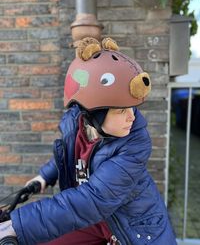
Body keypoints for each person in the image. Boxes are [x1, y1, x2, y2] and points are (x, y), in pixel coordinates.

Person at [0, 37, 177, 245]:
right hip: (92, 222)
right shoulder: (76, 125)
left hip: (130, 229)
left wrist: (16, 225)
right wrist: (44, 177)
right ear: (93, 114)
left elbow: (93, 199)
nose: (132, 116)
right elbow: (68, 155)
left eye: (132, 108)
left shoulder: (135, 144)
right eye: (122, 110)